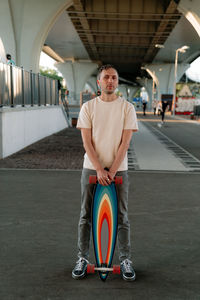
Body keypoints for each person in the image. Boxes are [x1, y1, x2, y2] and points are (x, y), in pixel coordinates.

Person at [72, 64, 138, 281]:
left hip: (120, 171)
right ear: (98, 82)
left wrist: (111, 171)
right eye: (106, 77)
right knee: (85, 215)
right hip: (91, 168)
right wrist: (99, 169)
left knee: (122, 216)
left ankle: (125, 259)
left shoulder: (127, 108)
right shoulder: (88, 107)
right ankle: (82, 258)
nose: (110, 81)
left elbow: (125, 143)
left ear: (117, 82)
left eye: (114, 78)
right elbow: (86, 142)